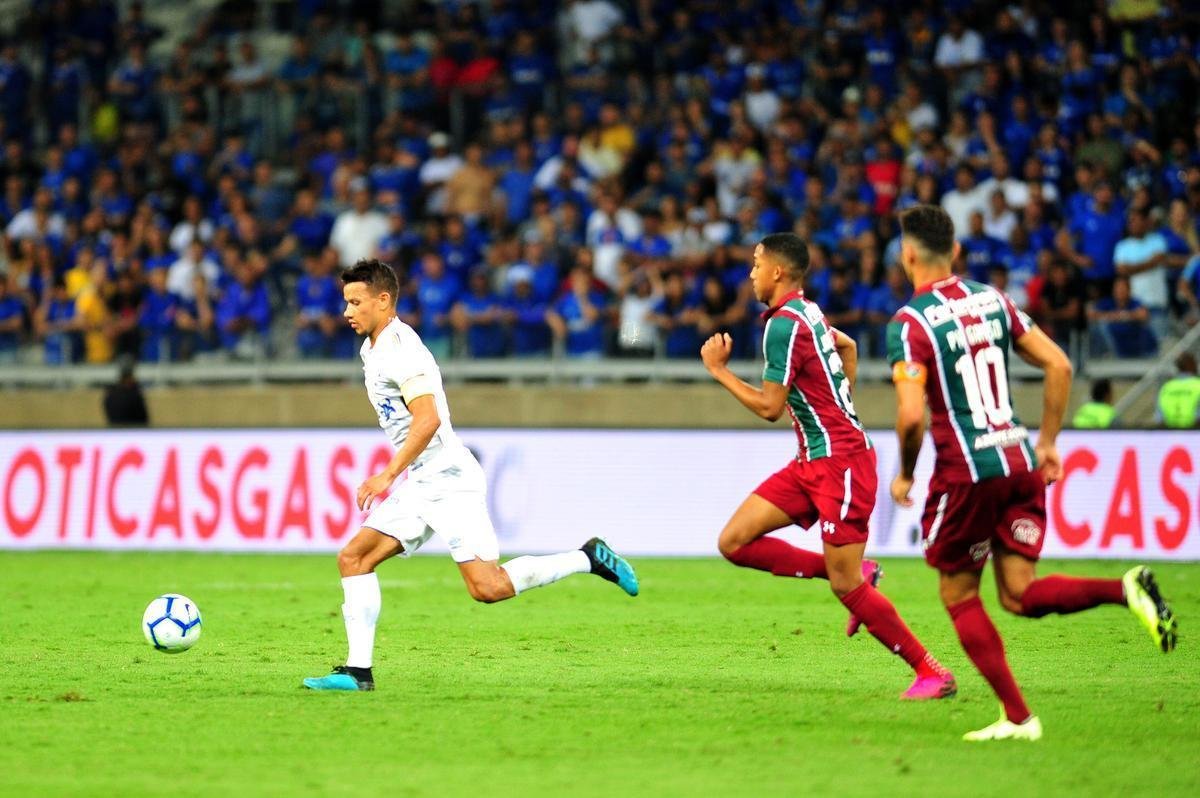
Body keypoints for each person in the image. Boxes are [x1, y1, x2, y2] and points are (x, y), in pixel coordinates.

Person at [887, 205, 1177, 743]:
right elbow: (1059, 364)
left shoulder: (910, 323)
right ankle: (1124, 588)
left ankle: (1019, 718)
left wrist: (905, 474)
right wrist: (1047, 442)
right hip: (1018, 459)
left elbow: (909, 417)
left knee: (959, 594)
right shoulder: (993, 299)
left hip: (968, 473)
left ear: (907, 255)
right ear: (955, 251)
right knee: (1018, 594)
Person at [304, 259, 638, 692]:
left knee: (488, 587)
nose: (347, 311)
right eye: (346, 302)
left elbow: (427, 419)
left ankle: (588, 558)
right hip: (423, 480)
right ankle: (357, 672)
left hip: (449, 479)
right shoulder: (374, 347)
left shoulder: (401, 351)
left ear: (383, 301)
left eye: (355, 302)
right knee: (354, 558)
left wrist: (387, 475)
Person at [700, 233, 956, 701]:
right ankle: (862, 572)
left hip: (841, 465)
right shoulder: (809, 312)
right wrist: (840, 406)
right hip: (812, 461)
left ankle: (931, 671)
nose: (751, 273)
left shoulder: (783, 325)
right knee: (733, 541)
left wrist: (718, 370)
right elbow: (849, 347)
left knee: (846, 585)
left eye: (756, 264)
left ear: (778, 271)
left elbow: (770, 407)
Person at [1156, 353, 1200, 430]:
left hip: (1170, 431)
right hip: (1194, 431)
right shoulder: (1197, 384)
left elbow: (1160, 417)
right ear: (1192, 365)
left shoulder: (1167, 387)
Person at [103, 356, 149, 427]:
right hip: (132, 430)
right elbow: (143, 419)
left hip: (115, 430)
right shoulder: (134, 395)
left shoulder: (110, 394)